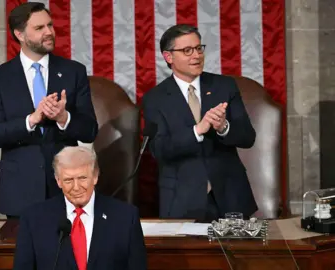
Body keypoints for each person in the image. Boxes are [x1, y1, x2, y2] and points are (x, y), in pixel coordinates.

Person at [0, 2, 98, 219]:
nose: (49, 32)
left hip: (66, 190)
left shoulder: (73, 72)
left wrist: (63, 118)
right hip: (20, 193)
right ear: (20, 35)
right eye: (39, 28)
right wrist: (31, 120)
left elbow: (90, 130)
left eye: (50, 25)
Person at [142, 24, 257, 222]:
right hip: (182, 199)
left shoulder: (224, 86)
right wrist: (197, 130)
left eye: (198, 48)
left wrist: (223, 127)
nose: (196, 55)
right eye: (187, 50)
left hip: (230, 195)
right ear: (168, 57)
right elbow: (159, 149)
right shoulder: (155, 98)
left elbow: (248, 137)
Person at [13, 146, 147, 270]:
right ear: (58, 181)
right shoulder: (33, 219)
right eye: (68, 180)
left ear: (95, 176)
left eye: (82, 178)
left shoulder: (126, 217)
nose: (76, 187)